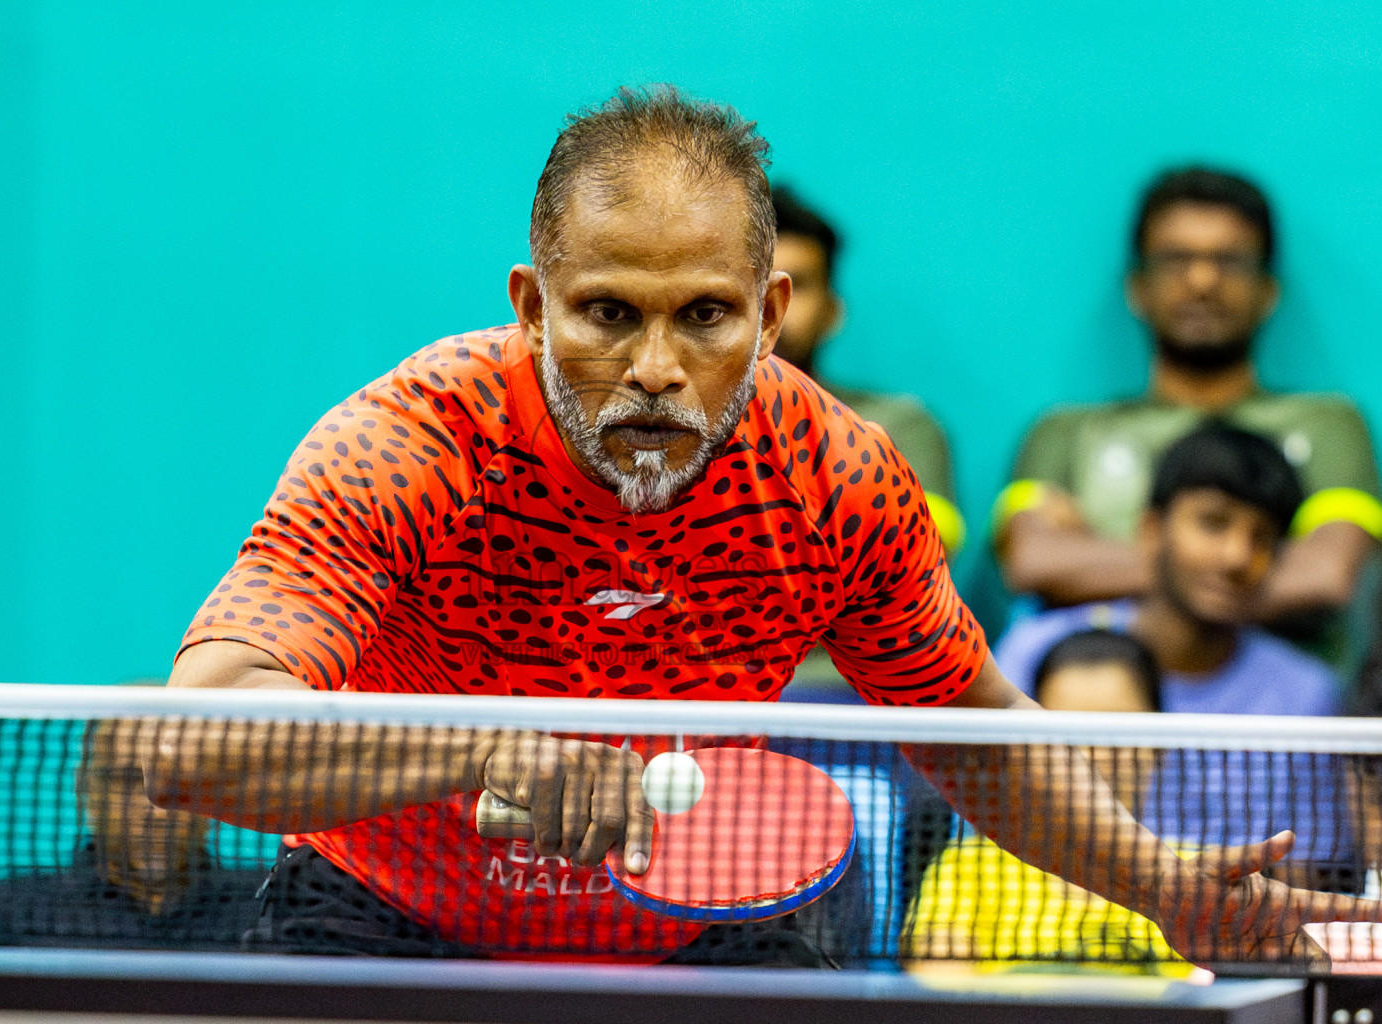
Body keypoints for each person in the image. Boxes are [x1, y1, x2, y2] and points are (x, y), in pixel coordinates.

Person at [144, 86, 1376, 967]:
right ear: (530, 307)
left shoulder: (837, 481)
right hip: (389, 912)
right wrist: (479, 748)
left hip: (712, 924)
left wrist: (1163, 884)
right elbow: (197, 738)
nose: (657, 369)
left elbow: (967, 731)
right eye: (607, 313)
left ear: (774, 312)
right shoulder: (412, 445)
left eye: (707, 316)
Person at [995, 167, 1381, 670]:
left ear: (1268, 291)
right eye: (1176, 260)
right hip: (1098, 718)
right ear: (1137, 287)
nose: (1202, 281)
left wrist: (1099, 561)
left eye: (1230, 261)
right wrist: (1251, 572)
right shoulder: (1068, 432)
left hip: (1287, 724)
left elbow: (1326, 574)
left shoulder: (1328, 424)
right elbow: (1035, 562)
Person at [994, 423, 1354, 886]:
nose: (1236, 555)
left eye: (1262, 538)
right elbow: (982, 833)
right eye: (1213, 522)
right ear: (1151, 529)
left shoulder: (1308, 697)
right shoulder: (1034, 652)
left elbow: (1305, 877)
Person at [904, 629, 1189, 974]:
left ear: (1159, 741)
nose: (1091, 755)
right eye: (1069, 734)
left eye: (1113, 731)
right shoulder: (970, 867)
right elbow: (938, 987)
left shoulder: (1193, 878)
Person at [0, 716, 266, 949]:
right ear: (86, 787)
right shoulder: (7, 915)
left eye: (179, 784)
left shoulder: (272, 907)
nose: (156, 811)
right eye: (128, 782)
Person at [770, 185, 964, 555]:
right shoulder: (677, 427)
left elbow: (916, 554)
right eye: (751, 284)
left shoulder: (897, 427)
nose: (771, 308)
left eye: (795, 286)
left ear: (833, 312)